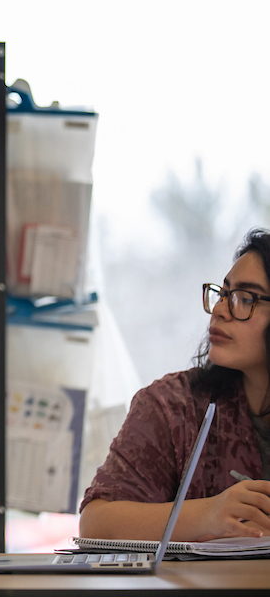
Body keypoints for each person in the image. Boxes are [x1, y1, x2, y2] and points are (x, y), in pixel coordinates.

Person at [79, 228, 270, 542]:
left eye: (245, 299)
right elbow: (96, 522)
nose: (221, 310)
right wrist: (207, 514)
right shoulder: (173, 406)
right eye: (223, 294)